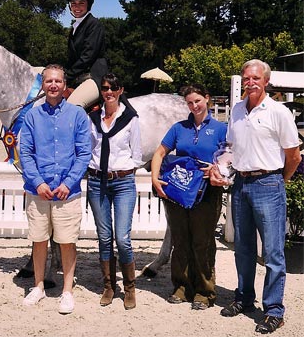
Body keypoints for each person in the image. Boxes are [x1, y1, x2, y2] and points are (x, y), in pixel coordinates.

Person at [211, 60, 301, 334]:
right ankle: (244, 298)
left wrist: (277, 181)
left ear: (266, 81)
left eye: (255, 78)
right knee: (244, 249)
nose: (250, 82)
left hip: (268, 183)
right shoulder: (237, 110)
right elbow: (230, 148)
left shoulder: (278, 112)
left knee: (273, 252)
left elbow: (293, 155)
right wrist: (222, 170)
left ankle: (274, 310)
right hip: (240, 184)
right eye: (246, 78)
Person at [20, 64, 91, 314]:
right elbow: (25, 153)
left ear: (64, 85)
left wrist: (68, 183)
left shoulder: (77, 115)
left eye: (58, 81)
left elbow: (84, 154)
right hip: (37, 191)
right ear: (43, 85)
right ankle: (38, 286)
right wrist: (38, 182)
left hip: (66, 192)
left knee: (67, 241)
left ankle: (67, 291)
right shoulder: (31, 116)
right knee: (39, 240)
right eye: (49, 81)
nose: (53, 85)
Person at [151, 84, 227, 311]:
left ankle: (204, 291)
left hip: (207, 191)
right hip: (180, 190)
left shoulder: (220, 128)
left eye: (197, 101)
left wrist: (216, 168)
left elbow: (229, 158)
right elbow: (160, 153)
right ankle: (182, 287)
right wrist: (155, 179)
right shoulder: (178, 128)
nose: (194, 106)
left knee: (202, 242)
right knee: (181, 240)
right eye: (189, 103)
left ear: (207, 99)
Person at [87, 73, 143, 310]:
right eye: (105, 88)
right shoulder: (93, 118)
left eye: (113, 88)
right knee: (104, 237)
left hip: (122, 182)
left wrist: (121, 170)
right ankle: (109, 286)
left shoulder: (131, 119)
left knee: (122, 238)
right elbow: (89, 148)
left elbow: (137, 154)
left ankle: (129, 288)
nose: (108, 92)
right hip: (97, 181)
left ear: (121, 90)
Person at [64, 0, 108, 110]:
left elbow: (88, 56)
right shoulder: (75, 27)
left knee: (71, 106)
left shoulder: (94, 25)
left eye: (81, 3)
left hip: (94, 76)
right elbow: (72, 59)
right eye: (73, 4)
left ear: (88, 4)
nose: (76, 7)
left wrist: (67, 76)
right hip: (79, 78)